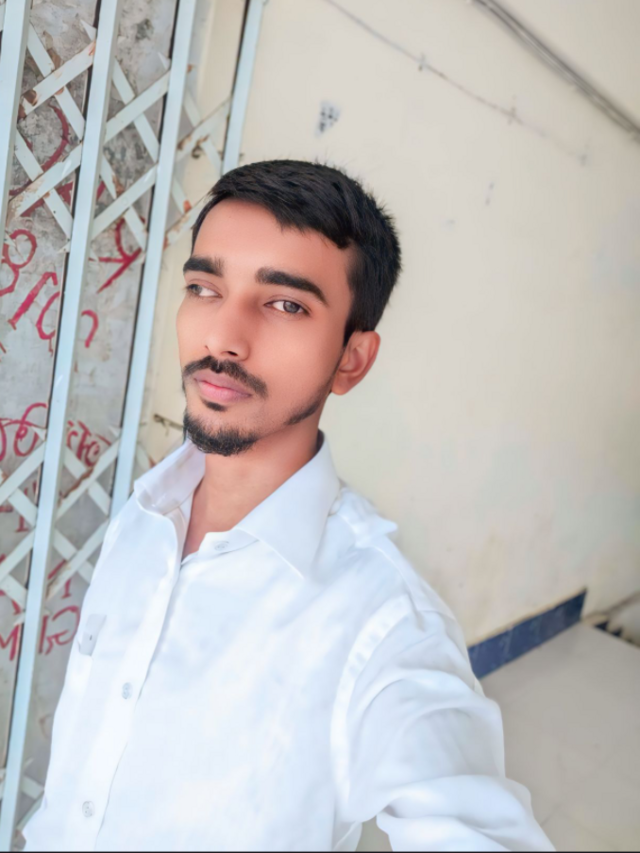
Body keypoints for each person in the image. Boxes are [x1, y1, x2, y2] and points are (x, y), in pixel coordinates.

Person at [24, 160, 554, 852]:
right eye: (204, 288)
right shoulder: (147, 514)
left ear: (351, 360)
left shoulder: (386, 628)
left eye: (285, 305)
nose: (223, 337)